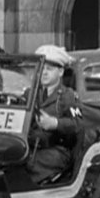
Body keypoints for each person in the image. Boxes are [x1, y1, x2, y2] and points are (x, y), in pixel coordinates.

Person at [27, 45, 83, 185]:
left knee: (26, 167)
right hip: (30, 146)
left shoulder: (67, 96)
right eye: (41, 69)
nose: (44, 73)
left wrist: (55, 123)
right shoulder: (30, 94)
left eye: (49, 69)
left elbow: (78, 123)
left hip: (56, 150)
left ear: (60, 72)